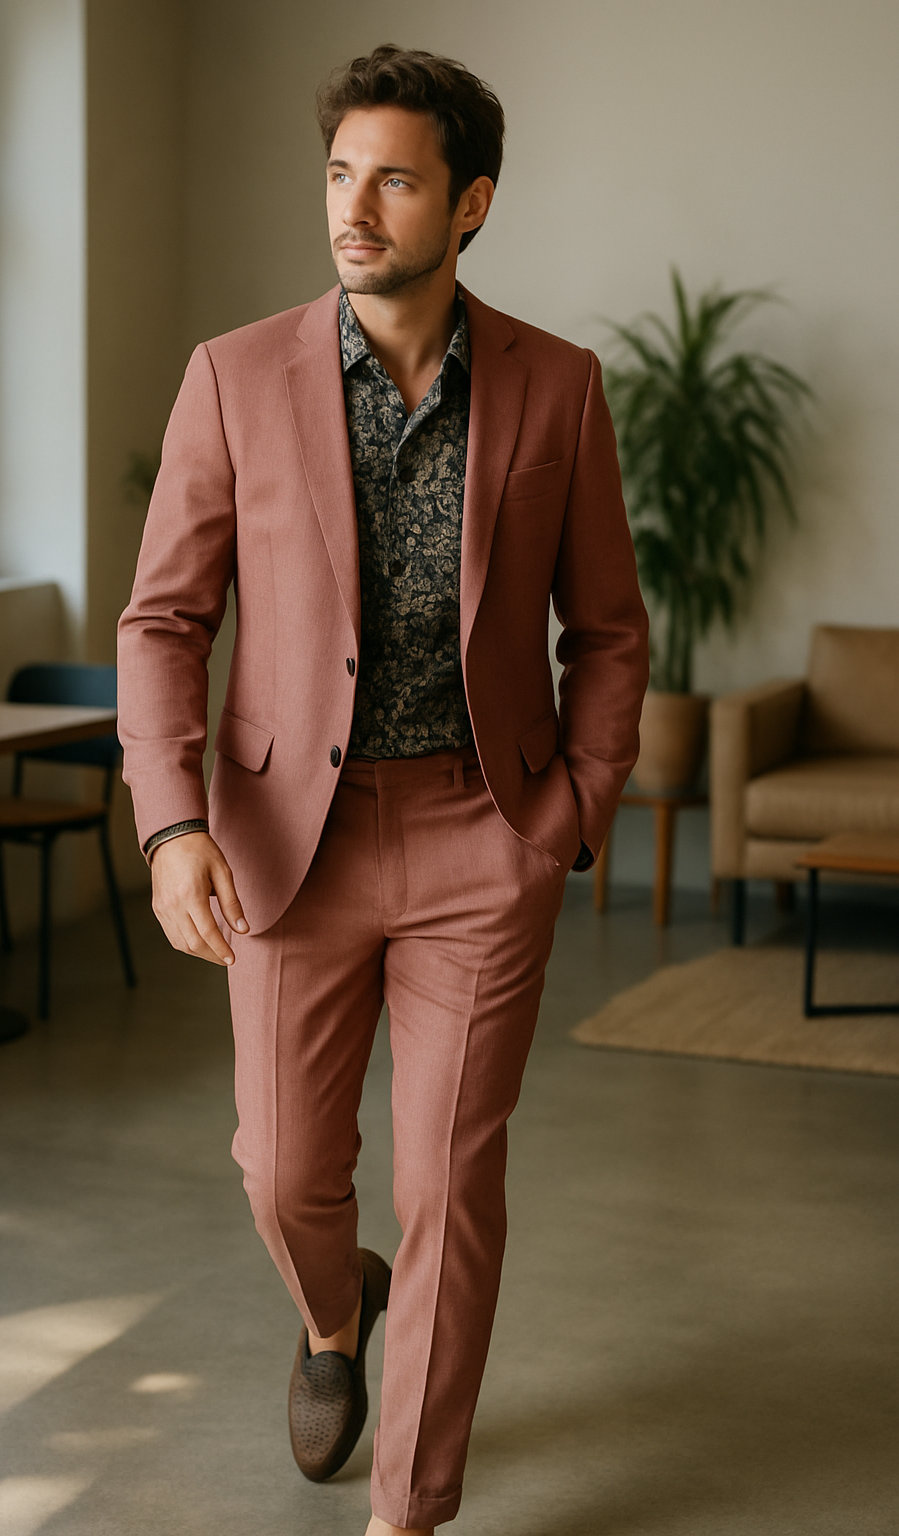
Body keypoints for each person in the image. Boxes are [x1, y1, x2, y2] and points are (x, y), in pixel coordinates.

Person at [117, 43, 648, 1535]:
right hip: (289, 840)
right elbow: (163, 623)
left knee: (451, 1187)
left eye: (395, 180)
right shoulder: (234, 377)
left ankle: (409, 1508)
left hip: (487, 834)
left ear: (470, 203)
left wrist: (576, 809)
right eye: (341, 174)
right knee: (284, 1172)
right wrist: (172, 827)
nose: (353, 208)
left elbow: (609, 629)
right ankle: (333, 1316)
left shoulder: (558, 386)